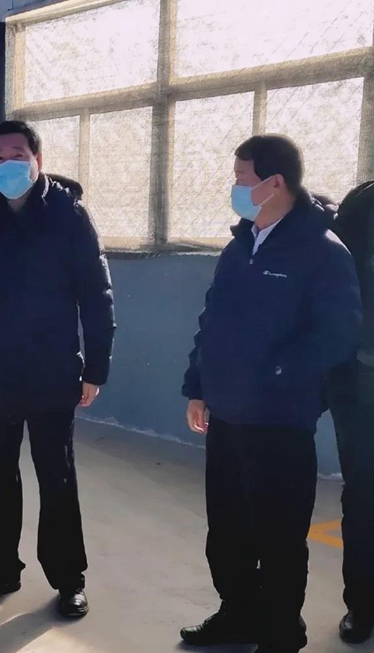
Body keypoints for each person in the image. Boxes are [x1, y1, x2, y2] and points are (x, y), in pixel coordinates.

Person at [181, 134, 361, 653]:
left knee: (278, 536)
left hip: (280, 419)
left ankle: (281, 633)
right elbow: (211, 321)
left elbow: (339, 334)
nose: (235, 188)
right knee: (228, 531)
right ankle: (237, 615)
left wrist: (276, 371)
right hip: (227, 415)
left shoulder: (322, 252)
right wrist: (198, 385)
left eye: (241, 178)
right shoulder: (241, 246)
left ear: (274, 182)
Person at [0, 120, 115, 618]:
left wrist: (95, 368)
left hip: (51, 370)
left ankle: (69, 579)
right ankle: (1, 570)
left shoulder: (69, 215)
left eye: (17, 154)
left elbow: (97, 295)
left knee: (56, 479)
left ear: (37, 160)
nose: (7, 163)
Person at [324, 182, 374, 644]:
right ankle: (364, 604)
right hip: (363, 383)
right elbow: (335, 288)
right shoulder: (364, 206)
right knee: (364, 497)